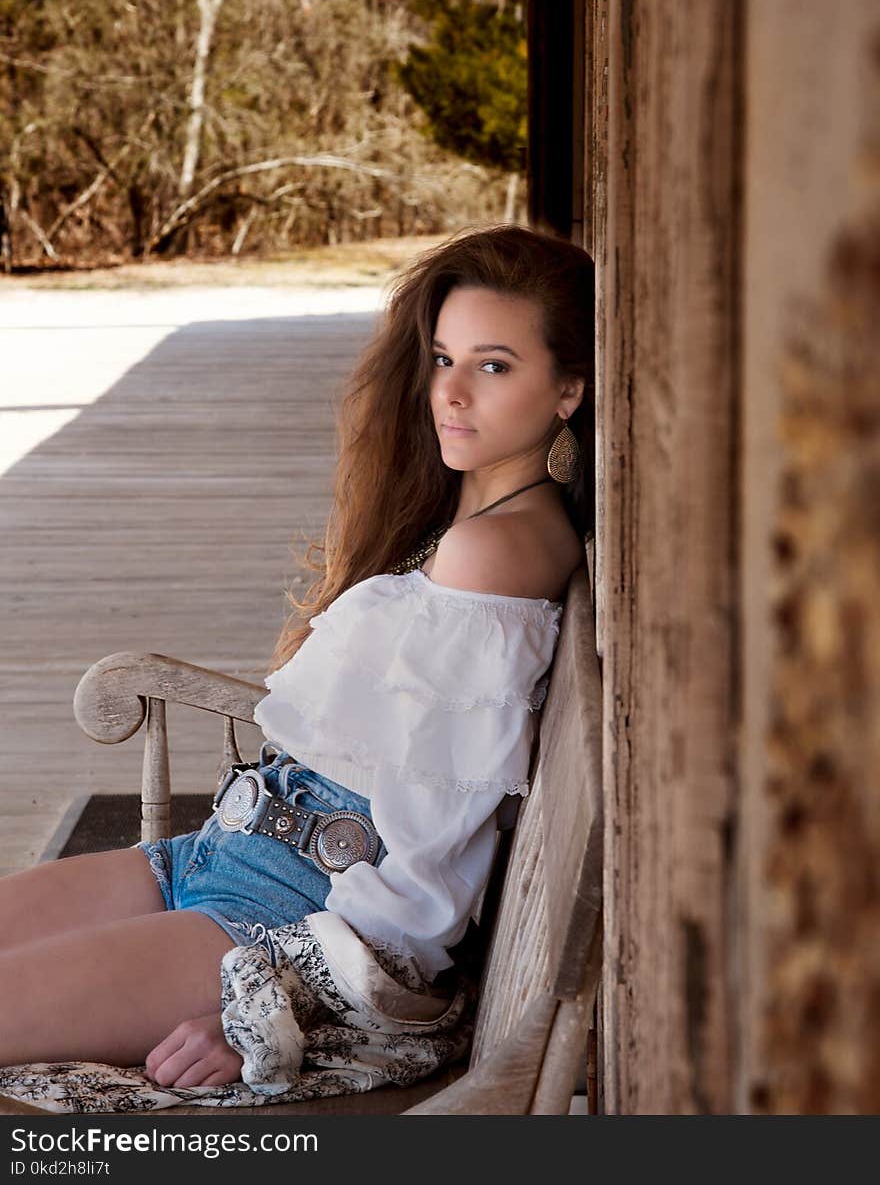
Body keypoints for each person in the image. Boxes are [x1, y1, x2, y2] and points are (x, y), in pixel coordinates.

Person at [0, 224, 594, 1092]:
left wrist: (266, 1000)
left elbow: (432, 864)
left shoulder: (495, 554)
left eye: (494, 365)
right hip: (217, 852)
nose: (452, 393)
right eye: (442, 358)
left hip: (276, 918)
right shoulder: (461, 521)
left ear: (568, 389)